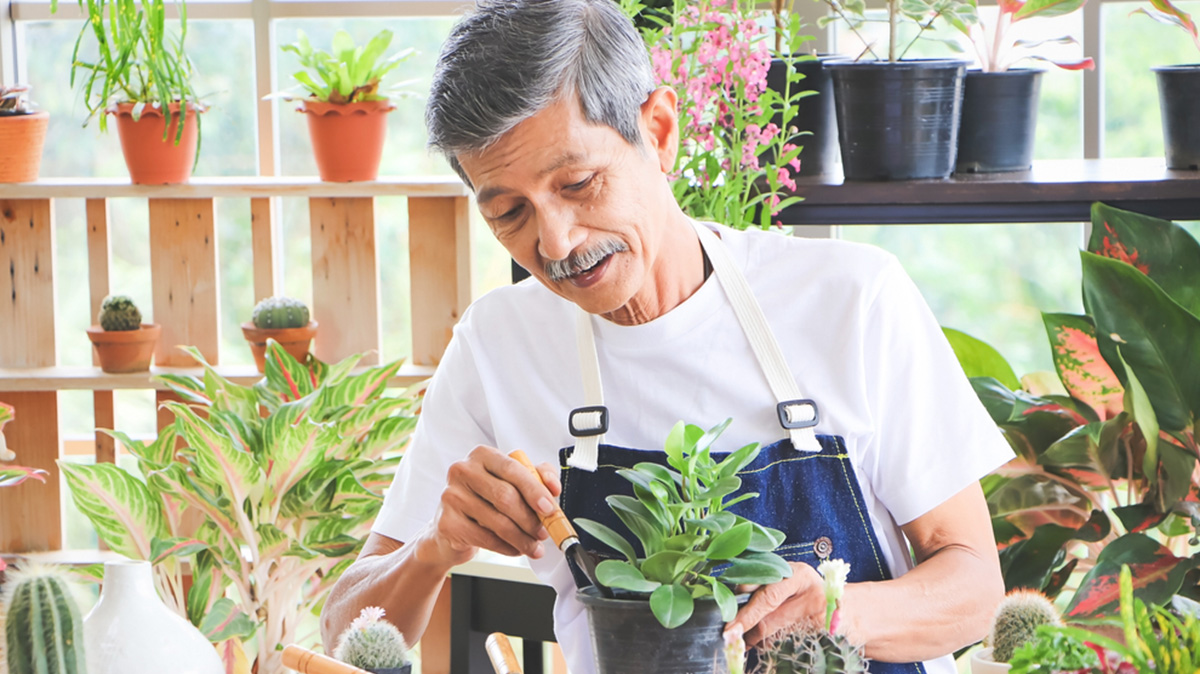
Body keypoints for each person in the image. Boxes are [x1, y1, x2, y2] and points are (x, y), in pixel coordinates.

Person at [320, 1, 1012, 672]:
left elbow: (975, 593)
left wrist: (837, 615)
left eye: (580, 183)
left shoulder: (851, 299)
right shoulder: (499, 345)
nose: (556, 240)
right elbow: (345, 625)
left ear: (658, 130)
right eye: (508, 212)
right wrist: (435, 548)